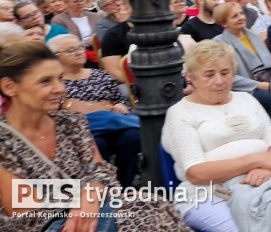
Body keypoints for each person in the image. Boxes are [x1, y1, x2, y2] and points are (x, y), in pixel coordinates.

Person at [0, 41, 189, 231]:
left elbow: (101, 171)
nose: (60, 89)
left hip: (91, 212)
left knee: (150, 203)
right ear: (9, 87)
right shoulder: (3, 139)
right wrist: (89, 194)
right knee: (143, 209)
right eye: (45, 81)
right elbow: (25, 207)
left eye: (60, 78)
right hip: (45, 225)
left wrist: (89, 196)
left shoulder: (71, 123)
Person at [162, 40, 271, 231]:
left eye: (225, 73)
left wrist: (267, 168)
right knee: (264, 226)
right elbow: (196, 173)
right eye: (209, 75)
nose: (219, 80)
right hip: (208, 193)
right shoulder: (180, 113)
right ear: (191, 78)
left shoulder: (246, 99)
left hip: (265, 181)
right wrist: (255, 161)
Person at [48, 34, 140, 188]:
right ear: (55, 57)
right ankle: (98, 187)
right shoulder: (57, 83)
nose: (78, 52)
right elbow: (58, 110)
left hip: (114, 123)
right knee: (97, 144)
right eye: (71, 50)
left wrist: (121, 107)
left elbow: (121, 101)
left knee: (132, 136)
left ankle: (124, 185)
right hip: (81, 129)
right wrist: (100, 107)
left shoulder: (101, 75)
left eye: (80, 47)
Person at [212, 2, 271, 120]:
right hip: (247, 88)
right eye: (234, 16)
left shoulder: (253, 35)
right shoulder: (219, 43)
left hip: (269, 78)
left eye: (241, 14)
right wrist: (258, 85)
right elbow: (226, 77)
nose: (241, 18)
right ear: (224, 23)